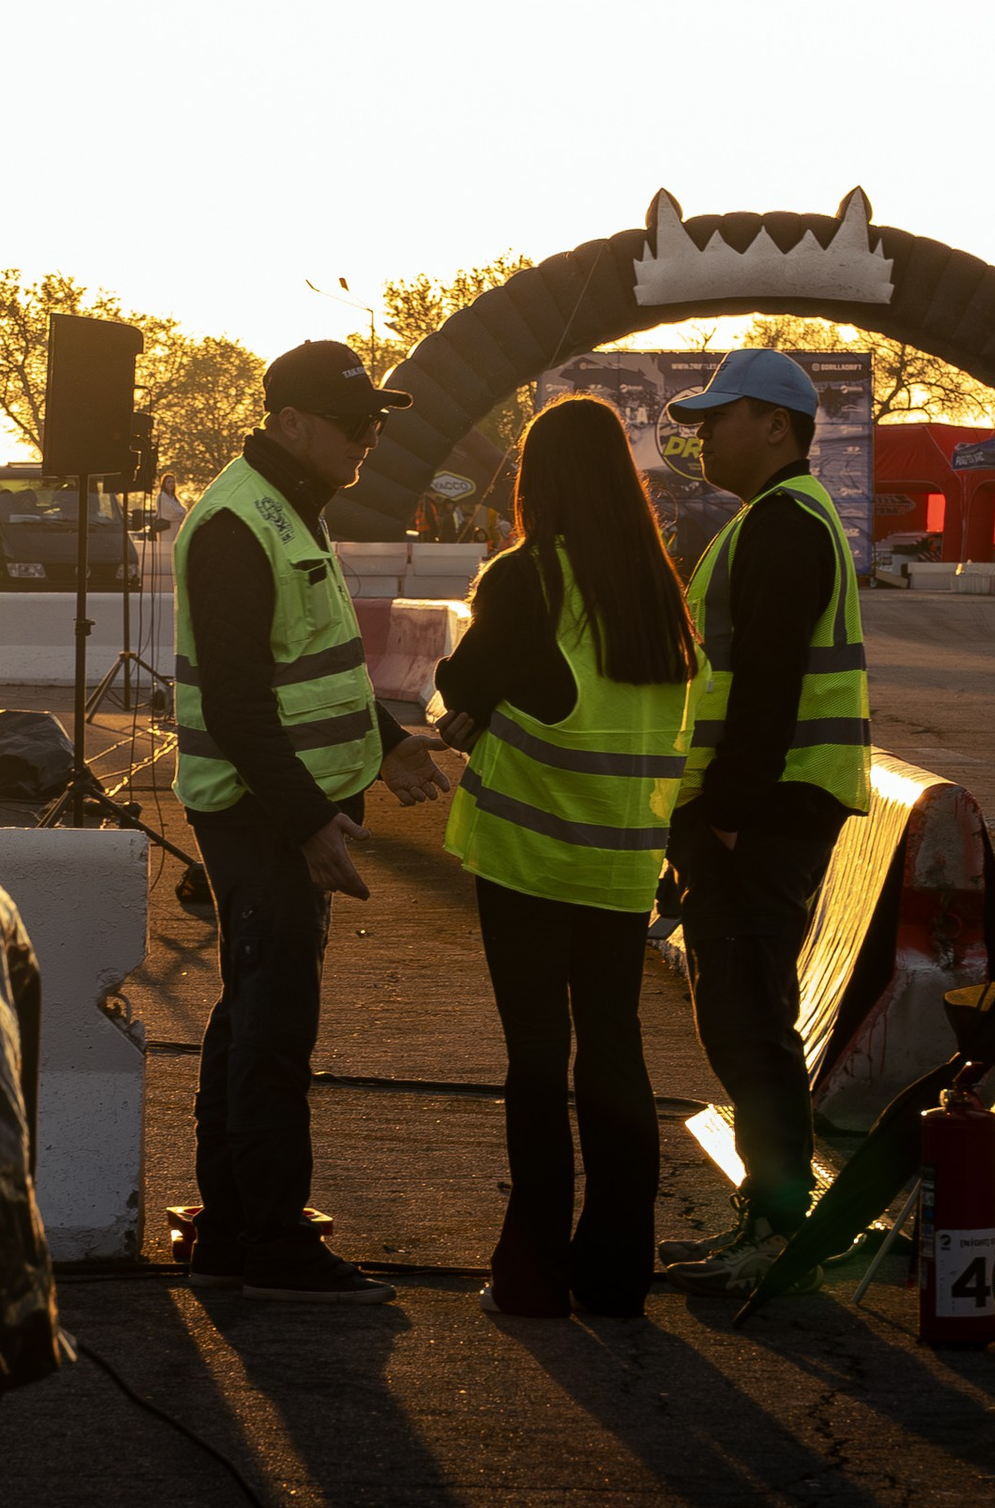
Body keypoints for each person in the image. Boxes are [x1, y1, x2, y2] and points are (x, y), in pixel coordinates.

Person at [173, 340, 451, 1304]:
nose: (370, 438)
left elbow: (320, 668)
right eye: (353, 422)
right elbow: (243, 704)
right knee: (275, 1026)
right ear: (289, 423)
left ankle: (233, 1228)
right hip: (261, 817)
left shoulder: (286, 507)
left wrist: (389, 744)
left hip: (284, 810)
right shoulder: (237, 525)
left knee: (254, 1013)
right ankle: (271, 1240)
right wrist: (307, 826)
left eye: (377, 421)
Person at [433, 395, 698, 1320]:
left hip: (531, 857)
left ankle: (535, 1270)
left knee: (538, 1061)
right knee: (616, 1056)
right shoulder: (658, 589)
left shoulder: (526, 577)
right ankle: (621, 1267)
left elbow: (463, 684)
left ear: (536, 481)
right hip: (623, 865)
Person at [652, 350, 871, 1298]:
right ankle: (773, 1216)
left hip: (764, 812)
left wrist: (729, 817)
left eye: (717, 418)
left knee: (749, 1018)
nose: (701, 436)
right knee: (741, 1015)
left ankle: (780, 1228)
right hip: (762, 808)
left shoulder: (783, 526)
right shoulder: (773, 522)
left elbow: (770, 686)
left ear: (775, 424)